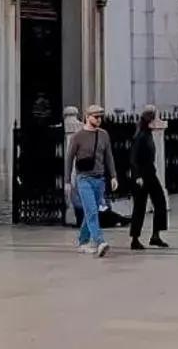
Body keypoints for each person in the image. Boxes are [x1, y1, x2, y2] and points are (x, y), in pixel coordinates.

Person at [65, 105, 116, 256]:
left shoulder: (104, 135)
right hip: (84, 179)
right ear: (87, 117)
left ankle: (82, 241)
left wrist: (113, 176)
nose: (98, 119)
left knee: (90, 212)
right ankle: (99, 241)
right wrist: (68, 181)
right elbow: (69, 159)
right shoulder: (78, 136)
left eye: (100, 116)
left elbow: (109, 156)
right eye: (95, 116)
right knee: (92, 211)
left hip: (99, 179)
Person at [128, 107, 171, 250]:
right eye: (155, 119)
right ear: (150, 121)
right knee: (139, 207)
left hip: (150, 174)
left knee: (160, 202)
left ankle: (156, 235)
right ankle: (135, 238)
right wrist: (138, 176)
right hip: (142, 176)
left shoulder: (148, 135)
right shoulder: (140, 136)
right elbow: (134, 158)